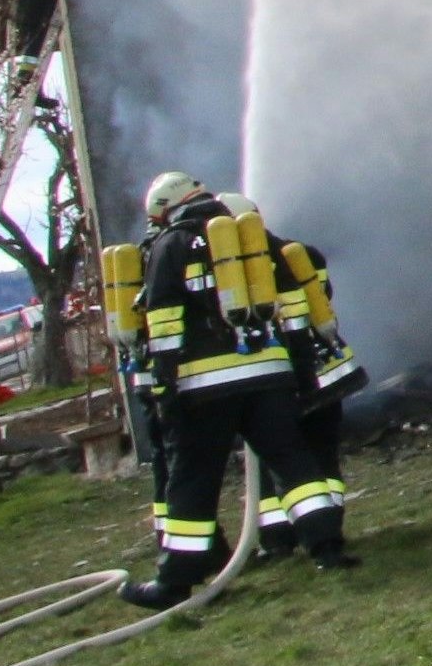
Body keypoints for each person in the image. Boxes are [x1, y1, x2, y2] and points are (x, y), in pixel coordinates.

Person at [121, 173, 350, 609]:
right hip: (267, 377)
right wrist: (299, 370)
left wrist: (164, 387)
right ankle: (327, 547)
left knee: (192, 475)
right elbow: (294, 307)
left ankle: (176, 582)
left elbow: (165, 322)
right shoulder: (254, 239)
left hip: (204, 386)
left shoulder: (171, 244)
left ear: (166, 209)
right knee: (291, 458)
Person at [218, 195, 364, 559]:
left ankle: (279, 539)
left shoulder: (231, 274)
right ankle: (328, 528)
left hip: (279, 382)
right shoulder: (303, 255)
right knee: (321, 455)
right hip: (327, 374)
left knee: (276, 457)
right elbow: (323, 299)